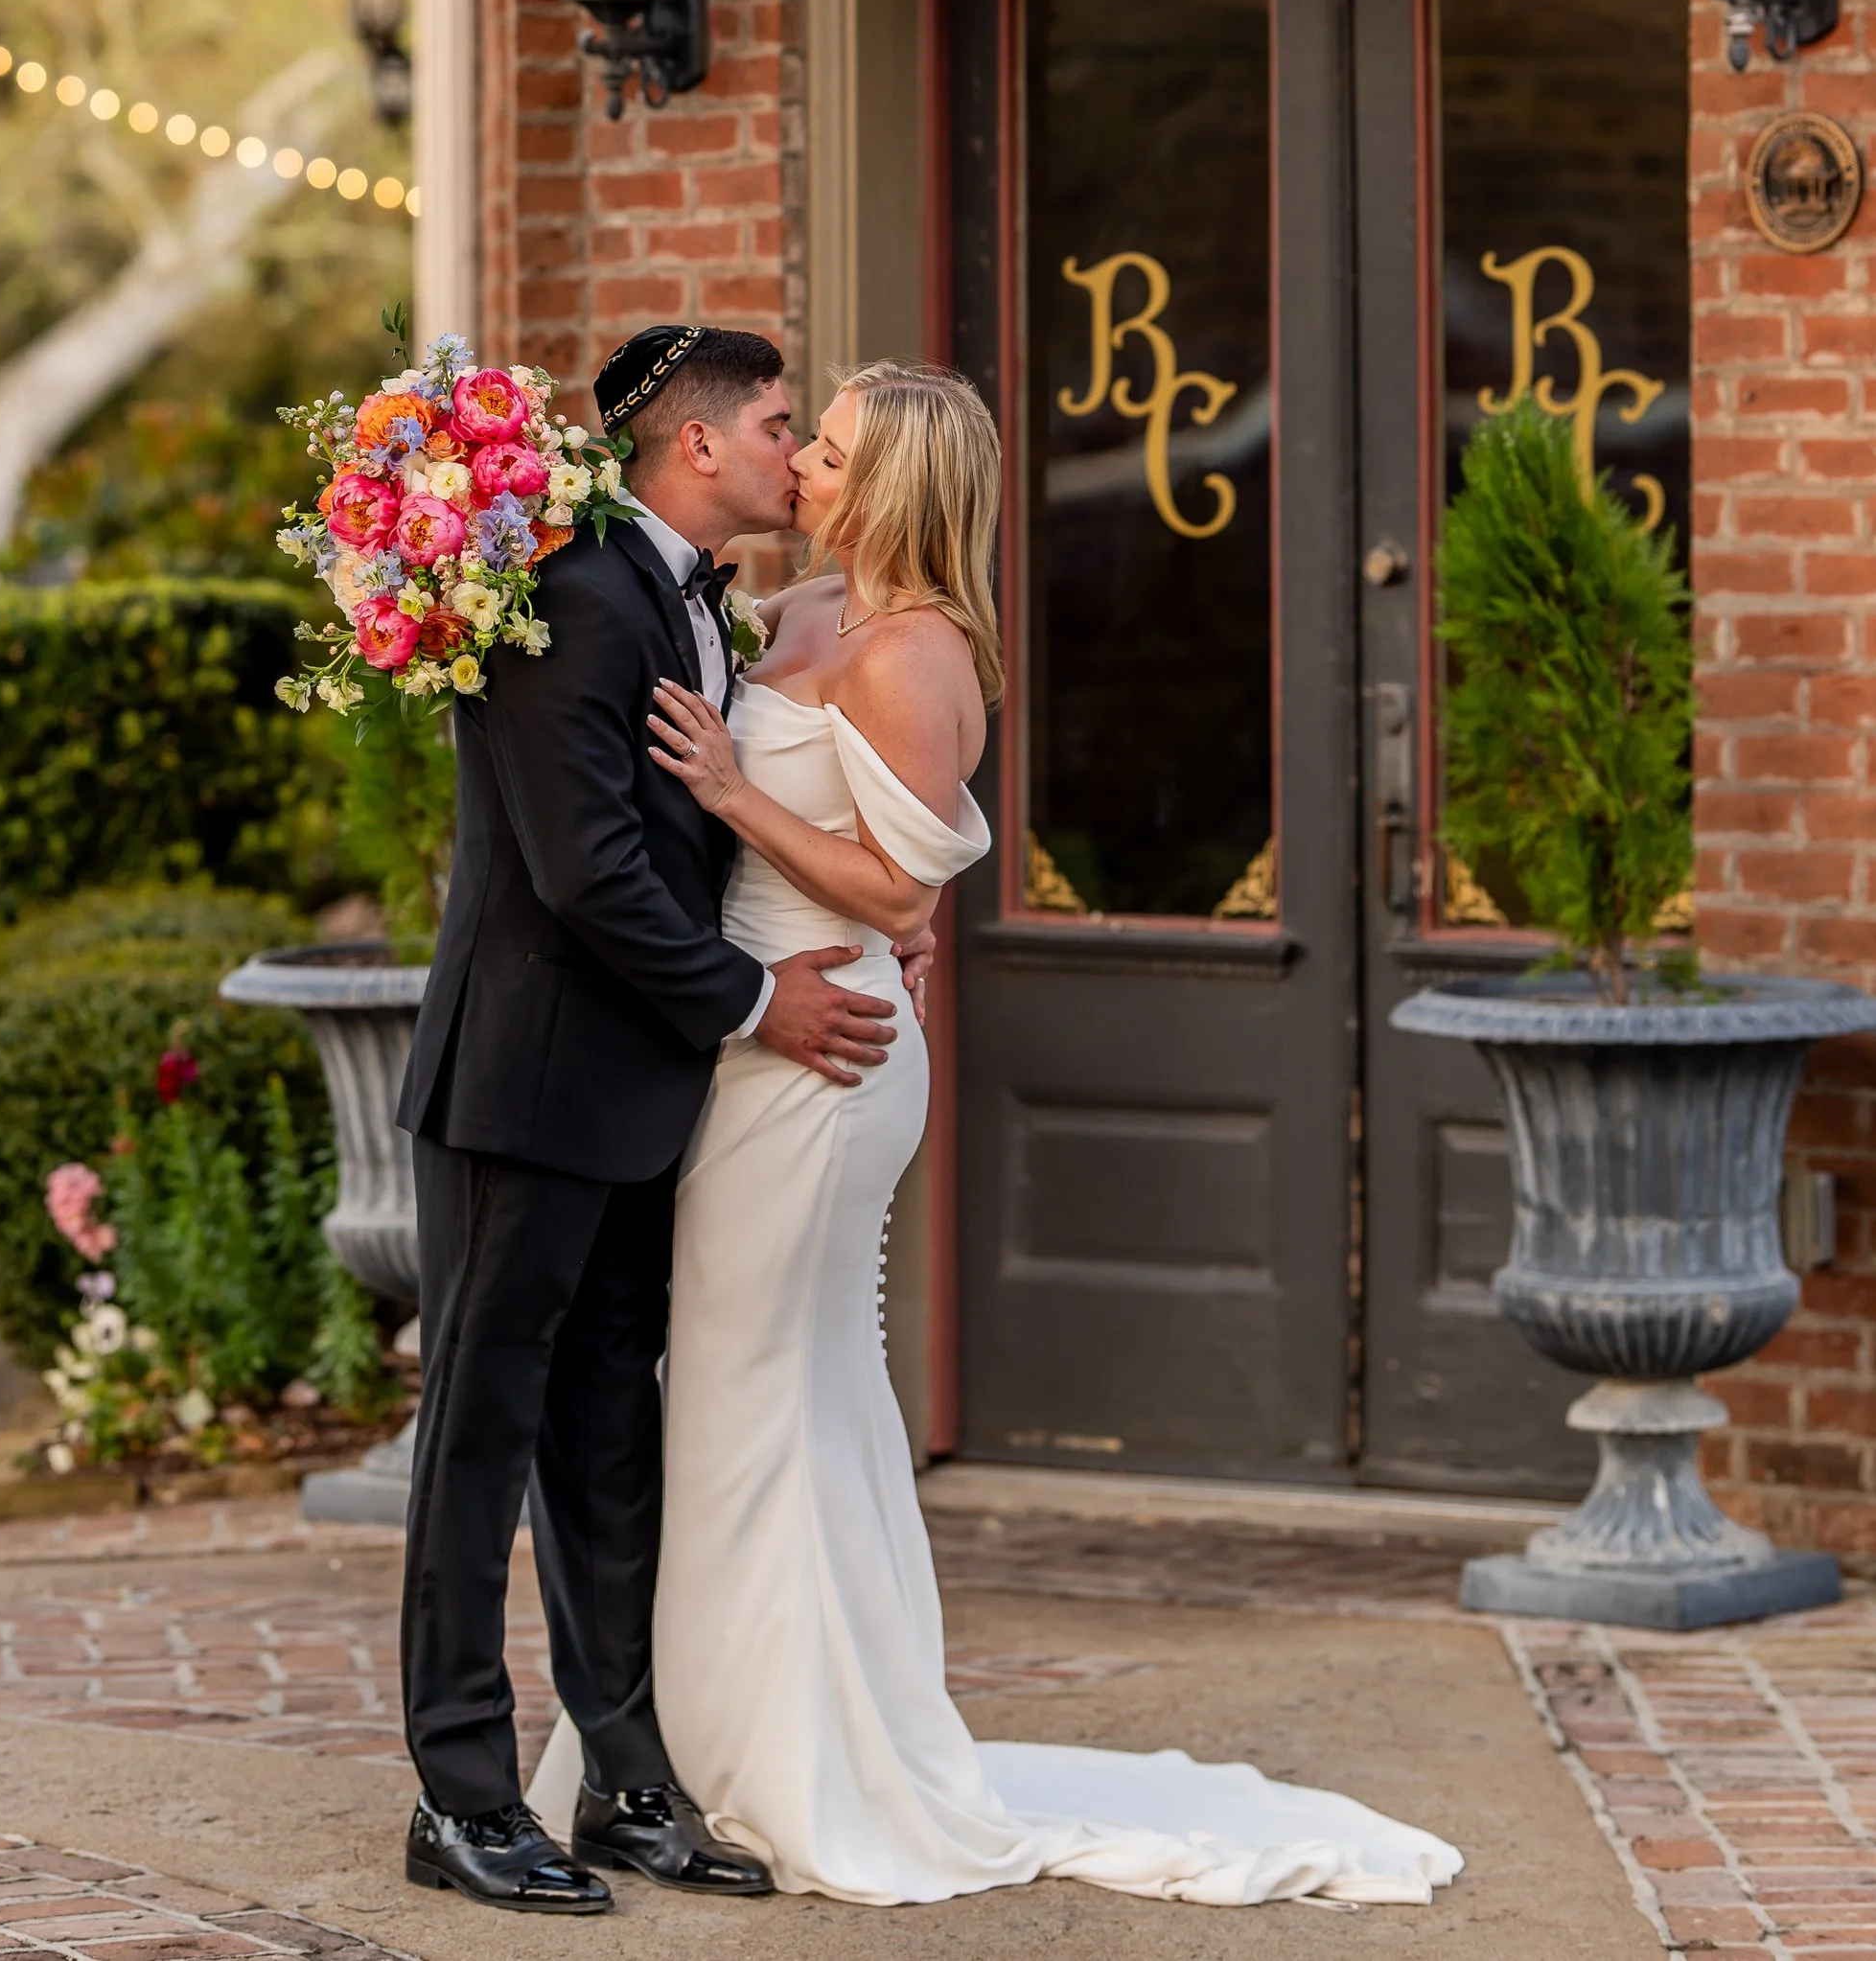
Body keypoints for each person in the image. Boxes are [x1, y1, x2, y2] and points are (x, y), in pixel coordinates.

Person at [532, 359, 1464, 1912]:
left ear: (895, 483)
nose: (801, 465)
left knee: (763, 1391)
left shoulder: (917, 650)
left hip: (824, 1064)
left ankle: (791, 1760)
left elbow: (904, 889)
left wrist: (737, 795)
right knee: (748, 1392)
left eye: (830, 451)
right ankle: (694, 1740)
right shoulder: (797, 609)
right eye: (804, 440)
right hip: (750, 1042)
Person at [397, 323, 920, 1916]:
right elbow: (587, 868)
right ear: (696, 442)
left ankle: (627, 1777)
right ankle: (460, 1793)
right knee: (479, 1442)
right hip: (524, 1087)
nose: (795, 452)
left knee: (610, 1442)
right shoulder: (573, 589)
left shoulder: (702, 602)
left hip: (645, 1095)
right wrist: (761, 1000)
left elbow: (712, 835)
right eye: (778, 423)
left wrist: (865, 912)